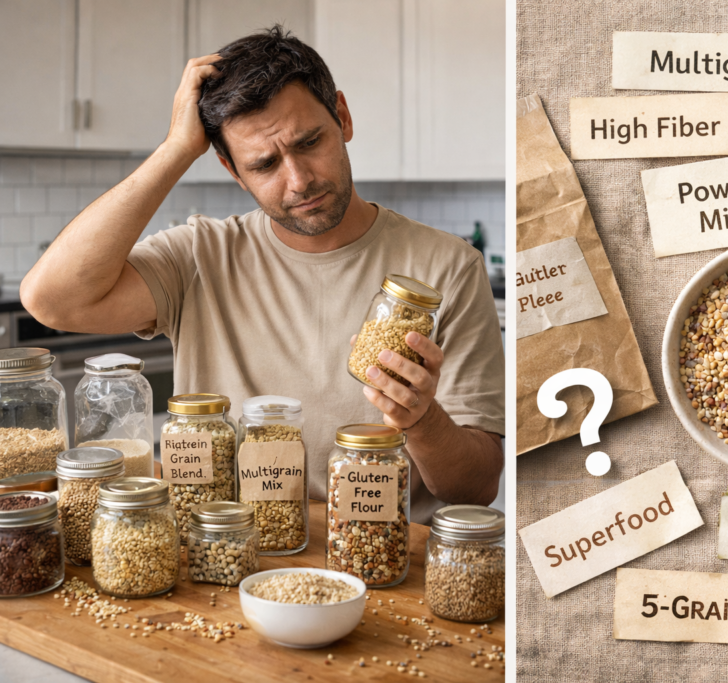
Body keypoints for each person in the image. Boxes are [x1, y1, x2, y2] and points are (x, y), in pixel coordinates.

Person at [20, 27, 504, 523]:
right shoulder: (201, 255)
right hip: (226, 554)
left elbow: (476, 487)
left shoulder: (446, 268)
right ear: (233, 170)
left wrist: (421, 420)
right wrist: (175, 150)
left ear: (342, 116)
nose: (299, 181)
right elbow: (50, 299)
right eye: (265, 163)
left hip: (385, 560)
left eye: (310, 141)